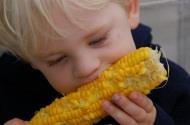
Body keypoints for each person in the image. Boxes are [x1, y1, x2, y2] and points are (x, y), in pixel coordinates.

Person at [0, 0, 190, 125]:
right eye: (58, 59)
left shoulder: (174, 89)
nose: (86, 68)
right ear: (29, 60)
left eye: (97, 40)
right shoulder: (12, 88)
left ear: (130, 9)